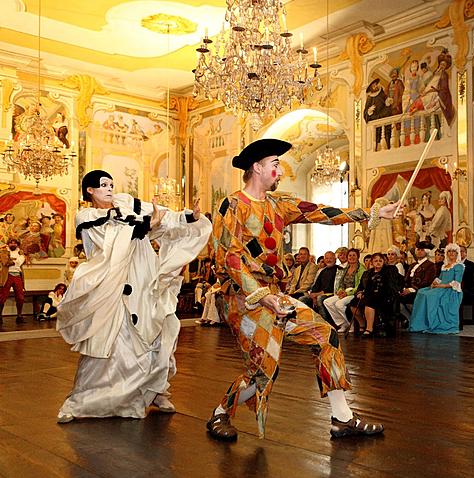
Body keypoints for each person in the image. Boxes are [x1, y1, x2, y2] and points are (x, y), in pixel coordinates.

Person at [207, 138, 400, 441]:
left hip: (277, 296)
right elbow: (227, 257)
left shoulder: (278, 204)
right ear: (257, 167)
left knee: (326, 336)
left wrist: (371, 214)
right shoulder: (233, 205)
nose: (280, 170)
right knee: (262, 374)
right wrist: (262, 295)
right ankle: (220, 414)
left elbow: (322, 211)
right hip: (245, 301)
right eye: (275, 164)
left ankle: (342, 417)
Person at [56, 170, 211, 423]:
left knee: (158, 333)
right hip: (112, 286)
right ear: (90, 191)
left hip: (143, 279)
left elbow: (161, 213)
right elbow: (110, 244)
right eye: (102, 185)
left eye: (111, 183)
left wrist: (187, 217)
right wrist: (146, 226)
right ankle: (81, 401)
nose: (109, 188)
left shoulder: (127, 202)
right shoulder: (86, 216)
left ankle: (156, 390)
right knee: (111, 343)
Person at [409, 243, 464, 334]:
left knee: (430, 295)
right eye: (449, 251)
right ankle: (422, 323)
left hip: (450, 290)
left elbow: (456, 282)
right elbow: (440, 278)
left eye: (453, 251)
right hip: (441, 287)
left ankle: (433, 323)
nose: (451, 253)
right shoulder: (445, 266)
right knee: (421, 292)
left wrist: (440, 286)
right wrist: (434, 283)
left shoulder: (459, 266)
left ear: (457, 253)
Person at [350, 252, 401, 336]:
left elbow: (393, 285)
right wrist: (359, 292)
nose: (378, 262)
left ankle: (369, 329)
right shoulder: (367, 273)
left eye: (380, 261)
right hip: (368, 295)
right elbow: (361, 286)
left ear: (383, 262)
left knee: (369, 302)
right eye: (376, 261)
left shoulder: (389, 270)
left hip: (384, 295)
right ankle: (362, 324)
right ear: (372, 262)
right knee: (353, 304)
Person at [324, 248, 366, 334]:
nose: (352, 257)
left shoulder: (361, 269)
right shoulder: (346, 268)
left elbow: (359, 286)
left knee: (339, 304)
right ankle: (343, 323)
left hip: (354, 293)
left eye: (354, 255)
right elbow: (341, 283)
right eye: (350, 255)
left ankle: (352, 324)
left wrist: (347, 293)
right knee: (327, 302)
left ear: (358, 256)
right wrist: (340, 291)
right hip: (344, 292)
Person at [399, 240, 437, 317]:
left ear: (426, 252)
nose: (419, 252)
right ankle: (409, 319)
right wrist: (403, 289)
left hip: (421, 291)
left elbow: (427, 282)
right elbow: (406, 280)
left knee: (408, 299)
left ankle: (415, 320)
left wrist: (411, 289)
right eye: (418, 250)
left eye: (422, 250)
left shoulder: (431, 265)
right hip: (408, 290)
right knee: (395, 299)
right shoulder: (412, 265)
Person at [0, 238, 26, 323]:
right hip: (8, 275)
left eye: (14, 243)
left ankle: (19, 316)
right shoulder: (4, 252)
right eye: (11, 243)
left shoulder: (20, 252)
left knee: (20, 297)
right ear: (8, 244)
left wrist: (13, 259)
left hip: (18, 275)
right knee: (2, 297)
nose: (13, 244)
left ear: (17, 244)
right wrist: (17, 260)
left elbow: (22, 262)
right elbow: (5, 263)